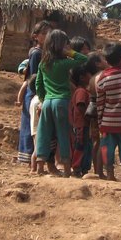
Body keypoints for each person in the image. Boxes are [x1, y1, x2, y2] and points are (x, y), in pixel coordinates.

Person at [35, 29, 88, 176]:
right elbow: (84, 59)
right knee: (63, 134)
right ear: (62, 46)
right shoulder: (64, 63)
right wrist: (69, 53)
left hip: (47, 102)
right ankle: (66, 169)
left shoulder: (43, 64)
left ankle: (40, 167)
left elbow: (38, 84)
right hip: (62, 101)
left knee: (44, 134)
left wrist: (42, 99)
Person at [96, 42, 121, 183]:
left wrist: (100, 121)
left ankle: (110, 174)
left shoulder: (102, 79)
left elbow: (100, 104)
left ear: (106, 61)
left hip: (108, 122)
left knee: (107, 149)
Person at [17, 21, 52, 165]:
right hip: (34, 92)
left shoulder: (42, 52)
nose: (47, 36)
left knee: (32, 124)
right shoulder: (37, 53)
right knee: (31, 125)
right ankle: (27, 156)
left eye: (49, 33)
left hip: (35, 91)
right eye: (44, 33)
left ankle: (29, 156)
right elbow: (35, 76)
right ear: (35, 36)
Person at [85, 51, 108, 179]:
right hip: (101, 112)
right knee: (101, 142)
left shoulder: (92, 78)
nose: (106, 60)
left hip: (93, 112)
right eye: (103, 58)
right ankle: (100, 171)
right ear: (98, 64)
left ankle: (97, 170)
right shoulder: (102, 76)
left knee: (96, 141)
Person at [69, 64, 93, 177]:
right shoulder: (81, 92)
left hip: (84, 124)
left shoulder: (82, 91)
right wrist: (89, 115)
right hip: (81, 124)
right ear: (82, 77)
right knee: (80, 145)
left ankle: (83, 168)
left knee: (86, 146)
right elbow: (81, 105)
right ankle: (76, 167)